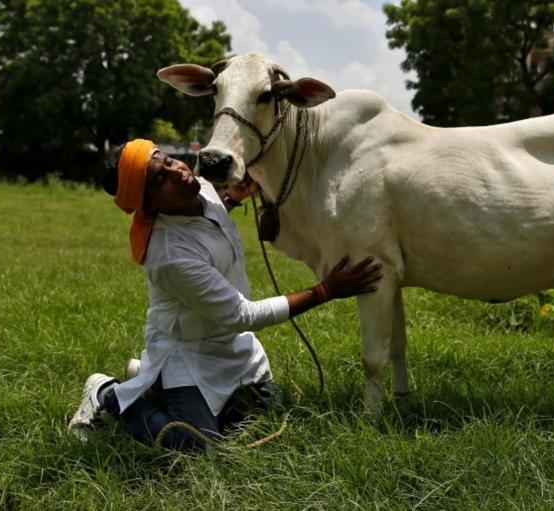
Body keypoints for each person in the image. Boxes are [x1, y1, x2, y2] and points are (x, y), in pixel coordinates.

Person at [68, 139, 382, 451]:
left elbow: (208, 222)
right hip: (188, 354)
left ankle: (150, 381)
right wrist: (326, 290)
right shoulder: (169, 255)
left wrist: (232, 197)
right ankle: (109, 395)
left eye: (166, 160)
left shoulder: (200, 188)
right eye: (160, 179)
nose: (177, 171)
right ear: (150, 206)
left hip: (231, 348)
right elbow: (242, 316)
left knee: (266, 417)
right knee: (196, 446)